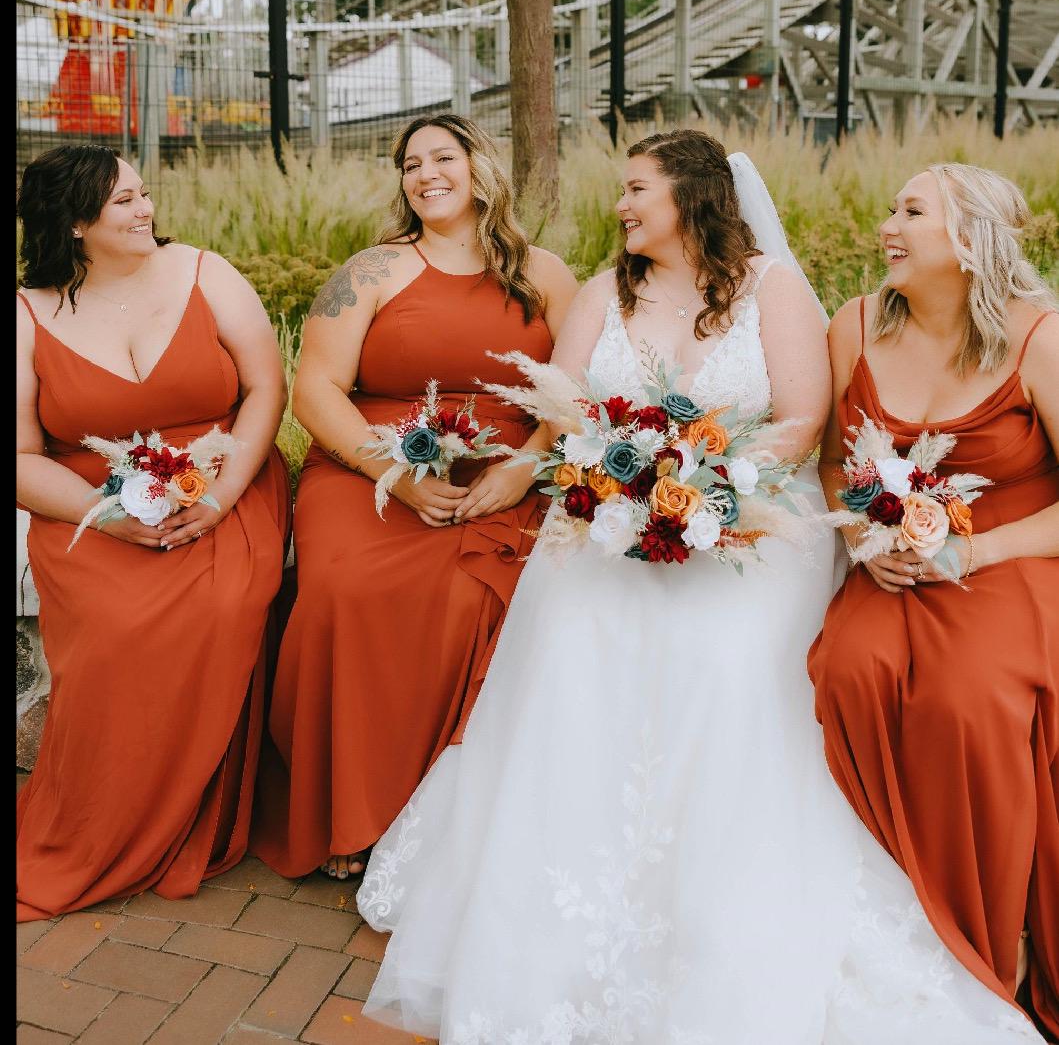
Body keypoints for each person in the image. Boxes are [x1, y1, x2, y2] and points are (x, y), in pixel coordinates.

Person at [355, 129, 1036, 1045]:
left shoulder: (773, 289)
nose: (622, 205)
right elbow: (564, 411)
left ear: (692, 195)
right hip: (605, 519)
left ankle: (723, 898)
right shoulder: (603, 293)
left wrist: (705, 480)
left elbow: (800, 424)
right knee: (570, 643)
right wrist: (620, 484)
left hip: (748, 520)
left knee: (727, 659)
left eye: (636, 188)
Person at [251, 114, 578, 881]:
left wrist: (526, 466)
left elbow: (576, 390)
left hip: (503, 471)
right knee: (346, 588)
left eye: (441, 158)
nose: (424, 173)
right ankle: (348, 812)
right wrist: (392, 473)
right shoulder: (370, 271)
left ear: (478, 167)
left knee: (473, 598)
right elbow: (315, 388)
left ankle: (445, 815)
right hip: (371, 464)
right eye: (409, 164)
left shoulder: (546, 273)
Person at [809, 162, 1059, 1039]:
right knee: (847, 669)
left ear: (967, 239)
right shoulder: (855, 324)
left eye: (910, 210)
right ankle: (890, 920)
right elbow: (834, 460)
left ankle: (989, 942)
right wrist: (858, 540)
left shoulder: (1036, 339)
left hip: (1016, 553)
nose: (887, 223)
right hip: (896, 557)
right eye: (889, 204)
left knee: (966, 703)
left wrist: (978, 548)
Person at [16, 145, 290, 919]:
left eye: (144, 195)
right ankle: (105, 824)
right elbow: (20, 455)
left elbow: (267, 386)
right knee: (112, 627)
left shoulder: (206, 272)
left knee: (224, 605)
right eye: (123, 204)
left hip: (224, 484)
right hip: (90, 507)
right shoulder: (27, 314)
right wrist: (105, 515)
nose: (146, 213)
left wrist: (226, 492)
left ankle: (191, 814)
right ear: (75, 224)